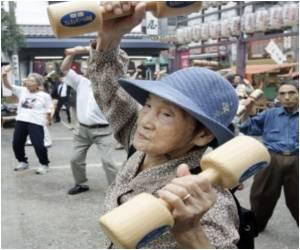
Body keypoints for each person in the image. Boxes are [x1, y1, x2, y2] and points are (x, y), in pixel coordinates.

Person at [87, 2, 240, 248]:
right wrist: (109, 37)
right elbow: (110, 93)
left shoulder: (205, 200)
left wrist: (191, 233)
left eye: (166, 115)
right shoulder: (140, 146)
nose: (145, 121)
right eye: (147, 105)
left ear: (202, 135)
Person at [60, 46, 123, 195]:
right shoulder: (81, 82)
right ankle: (81, 184)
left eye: (93, 66)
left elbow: (113, 55)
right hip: (82, 130)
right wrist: (72, 54)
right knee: (75, 159)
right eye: (88, 67)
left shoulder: (110, 83)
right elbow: (64, 69)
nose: (89, 69)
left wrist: (91, 49)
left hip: (104, 130)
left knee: (108, 162)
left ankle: (115, 189)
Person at [239, 81, 299, 233]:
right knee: (261, 195)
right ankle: (256, 226)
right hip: (271, 158)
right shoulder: (270, 114)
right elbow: (247, 128)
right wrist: (247, 110)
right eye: (282, 93)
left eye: (291, 93)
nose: (287, 97)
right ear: (278, 97)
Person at [1, 67, 52, 175]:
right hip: (21, 120)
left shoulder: (45, 96)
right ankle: (23, 162)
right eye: (28, 80)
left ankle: (44, 164)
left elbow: (49, 109)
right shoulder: (22, 90)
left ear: (38, 84)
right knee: (16, 143)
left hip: (36, 122)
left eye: (32, 81)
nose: (28, 82)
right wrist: (4, 76)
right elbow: (7, 86)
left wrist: (49, 119)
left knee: (38, 144)